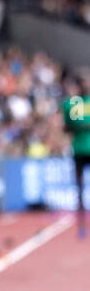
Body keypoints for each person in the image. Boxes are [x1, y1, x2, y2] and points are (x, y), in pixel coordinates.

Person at [61, 90, 90, 239]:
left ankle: (82, 227)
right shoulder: (73, 103)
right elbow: (66, 127)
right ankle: (82, 227)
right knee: (79, 190)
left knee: (79, 190)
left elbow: (66, 127)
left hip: (79, 150)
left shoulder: (72, 104)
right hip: (80, 151)